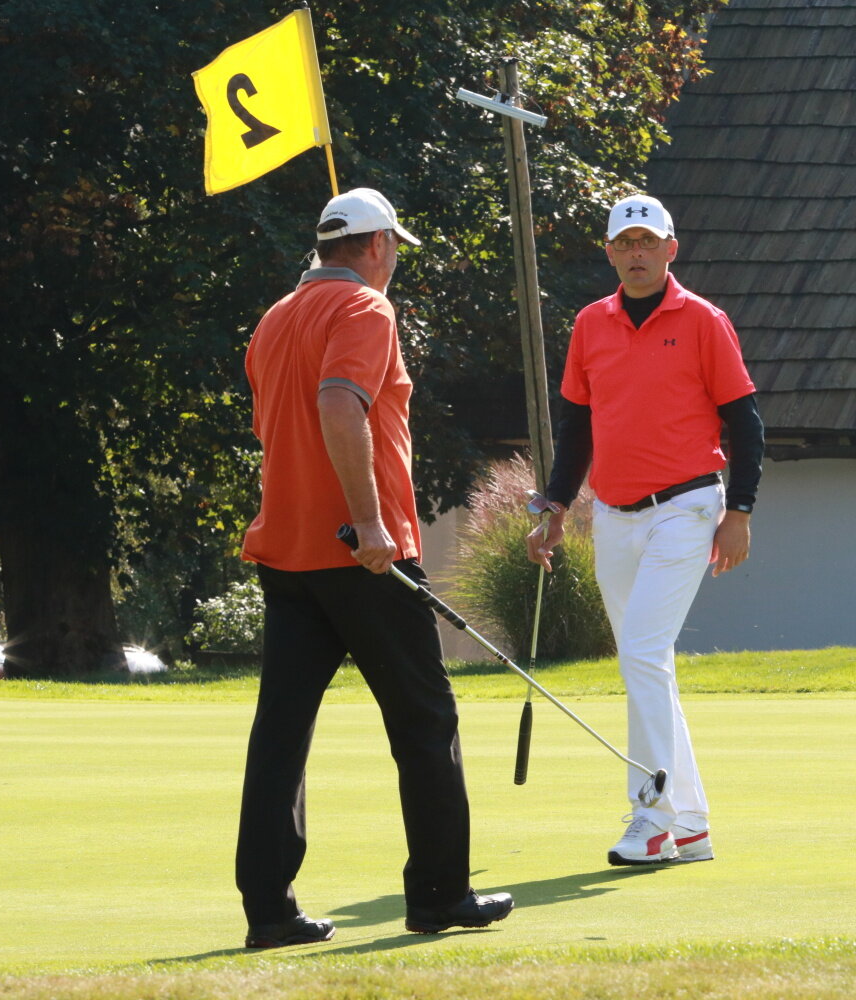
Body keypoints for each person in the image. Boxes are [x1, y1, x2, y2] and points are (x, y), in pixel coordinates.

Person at [237, 187, 513, 947]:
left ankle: (269, 911)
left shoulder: (274, 317)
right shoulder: (366, 309)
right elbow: (338, 404)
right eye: (394, 249)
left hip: (287, 552)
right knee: (426, 723)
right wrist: (368, 522)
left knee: (281, 733)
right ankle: (440, 896)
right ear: (378, 245)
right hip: (366, 557)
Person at [527, 193, 764, 866]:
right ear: (610, 253)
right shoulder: (589, 325)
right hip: (614, 513)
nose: (637, 253)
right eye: (625, 244)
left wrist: (740, 511)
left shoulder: (703, 320)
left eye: (648, 242)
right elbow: (576, 428)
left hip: (687, 508)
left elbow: (744, 421)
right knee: (645, 665)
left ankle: (651, 819)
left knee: (640, 651)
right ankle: (690, 823)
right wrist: (554, 505)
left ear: (670, 249)